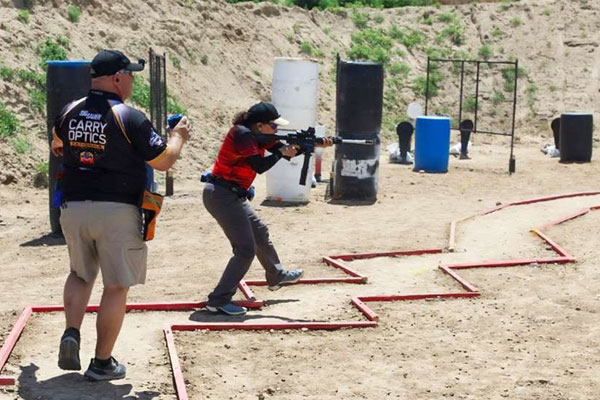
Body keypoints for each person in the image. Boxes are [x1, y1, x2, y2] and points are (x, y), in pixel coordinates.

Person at [50, 49, 191, 381]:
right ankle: (102, 363)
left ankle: (72, 331)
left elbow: (57, 143)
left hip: (72, 208)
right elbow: (163, 161)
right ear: (117, 78)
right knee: (115, 287)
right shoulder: (130, 117)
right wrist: (178, 138)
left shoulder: (70, 111)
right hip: (117, 210)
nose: (131, 81)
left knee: (80, 274)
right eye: (130, 75)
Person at [203, 101, 332, 316]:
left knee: (259, 231)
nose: (277, 130)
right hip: (222, 195)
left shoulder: (256, 136)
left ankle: (276, 275)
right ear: (260, 126)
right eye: (273, 126)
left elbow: (282, 149)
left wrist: (311, 145)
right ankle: (219, 300)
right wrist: (284, 153)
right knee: (245, 250)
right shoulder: (242, 134)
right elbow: (259, 166)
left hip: (234, 195)